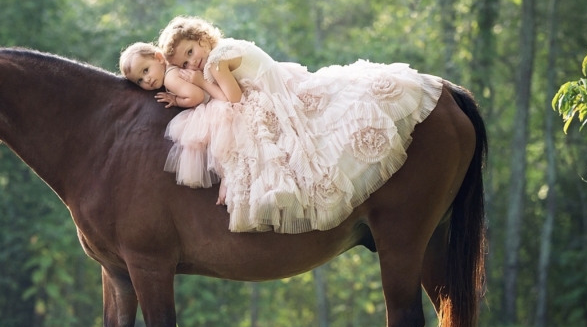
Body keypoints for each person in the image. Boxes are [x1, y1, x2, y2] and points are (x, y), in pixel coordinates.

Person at [157, 15, 445, 234]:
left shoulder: (216, 62)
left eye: (190, 53)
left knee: (246, 131)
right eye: (184, 64)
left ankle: (236, 185)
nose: (191, 64)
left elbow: (233, 99)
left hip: (278, 98)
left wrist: (200, 83)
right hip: (281, 84)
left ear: (202, 40)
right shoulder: (224, 48)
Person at [119, 42, 230, 200]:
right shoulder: (171, 71)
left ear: (159, 58)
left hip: (214, 105)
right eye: (139, 81)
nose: (146, 80)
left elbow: (196, 96)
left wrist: (176, 100)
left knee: (217, 144)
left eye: (146, 70)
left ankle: (227, 180)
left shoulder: (170, 78)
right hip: (214, 100)